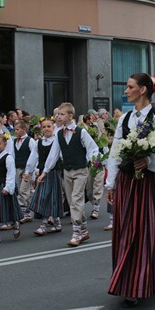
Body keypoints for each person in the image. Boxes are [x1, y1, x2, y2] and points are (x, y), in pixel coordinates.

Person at [106, 73, 155, 307]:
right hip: (128, 182)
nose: (125, 91)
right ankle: (129, 281)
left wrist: (148, 160)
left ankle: (145, 280)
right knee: (127, 230)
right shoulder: (125, 118)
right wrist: (111, 183)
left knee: (147, 230)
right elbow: (115, 151)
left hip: (147, 182)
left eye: (130, 87)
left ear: (143, 90)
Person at [38, 102, 99, 247]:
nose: (58, 116)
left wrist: (93, 162)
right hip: (67, 172)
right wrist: (45, 171)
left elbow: (93, 149)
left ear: (70, 116)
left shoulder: (81, 132)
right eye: (58, 114)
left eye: (62, 114)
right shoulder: (59, 133)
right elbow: (53, 154)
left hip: (80, 170)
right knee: (72, 201)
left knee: (77, 198)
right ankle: (83, 229)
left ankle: (76, 232)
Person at [27, 117, 64, 236]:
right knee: (43, 197)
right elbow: (34, 157)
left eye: (49, 126)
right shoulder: (39, 142)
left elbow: (61, 156)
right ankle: (52, 223)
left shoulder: (57, 141)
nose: (46, 129)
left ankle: (47, 224)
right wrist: (29, 170)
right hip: (42, 174)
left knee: (53, 197)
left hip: (54, 172)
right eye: (44, 127)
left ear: (53, 128)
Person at [12, 119, 36, 224]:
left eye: (18, 129)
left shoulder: (30, 141)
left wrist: (31, 170)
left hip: (27, 169)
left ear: (24, 129)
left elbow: (34, 155)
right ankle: (30, 208)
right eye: (15, 129)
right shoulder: (14, 141)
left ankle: (24, 212)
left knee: (23, 190)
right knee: (24, 188)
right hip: (18, 167)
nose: (16, 131)